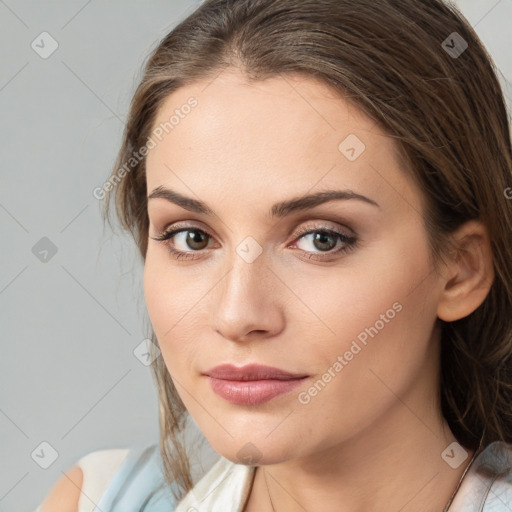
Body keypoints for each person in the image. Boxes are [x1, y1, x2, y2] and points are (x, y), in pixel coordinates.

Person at [36, 0, 512, 510]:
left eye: (321, 239)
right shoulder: (97, 500)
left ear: (460, 270)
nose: (238, 315)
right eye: (192, 237)